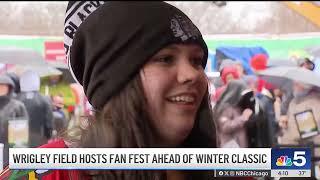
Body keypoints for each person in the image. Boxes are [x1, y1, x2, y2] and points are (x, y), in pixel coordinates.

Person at [1, 2, 217, 180]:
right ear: (115, 80)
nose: (193, 74)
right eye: (166, 59)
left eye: (197, 61)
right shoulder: (38, 172)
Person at [16, 70, 53, 148]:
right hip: (39, 138)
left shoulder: (15, 100)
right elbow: (49, 122)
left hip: (18, 139)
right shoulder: (44, 100)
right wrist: (48, 136)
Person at [213, 80, 253, 148]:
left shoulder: (237, 106)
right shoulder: (226, 107)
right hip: (230, 146)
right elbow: (225, 127)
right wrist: (243, 117)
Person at [0, 74, 29, 167]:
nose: (1, 88)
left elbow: (21, 136)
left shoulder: (17, 106)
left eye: (3, 86)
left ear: (9, 88)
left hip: (9, 150)